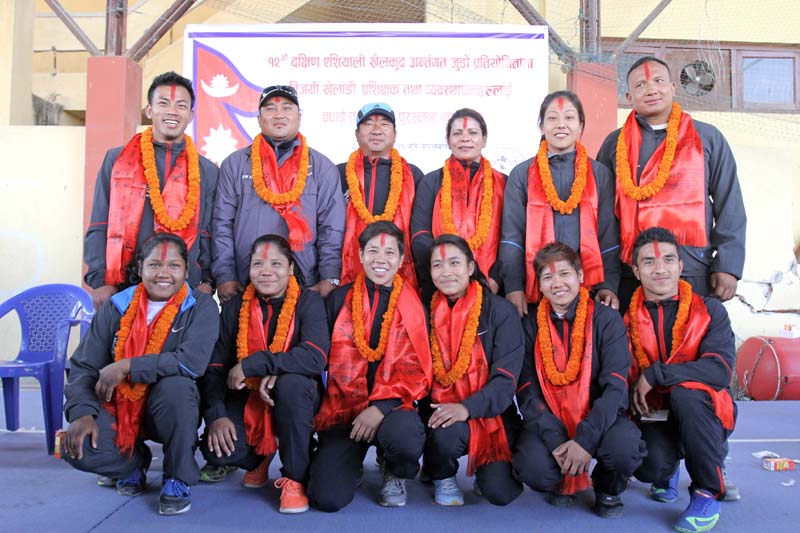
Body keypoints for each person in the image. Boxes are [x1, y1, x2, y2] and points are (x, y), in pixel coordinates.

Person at [63, 233, 219, 515]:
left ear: (186, 270)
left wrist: (126, 366)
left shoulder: (200, 306)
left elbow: (191, 363)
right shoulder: (117, 306)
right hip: (119, 405)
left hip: (168, 409)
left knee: (178, 388)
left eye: (173, 266)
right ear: (140, 268)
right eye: (155, 265)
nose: (164, 274)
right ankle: (133, 461)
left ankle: (177, 477)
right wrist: (81, 413)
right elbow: (84, 367)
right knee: (78, 447)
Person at [596, 56, 746, 313]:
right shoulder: (614, 143)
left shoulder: (707, 137)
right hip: (630, 272)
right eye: (641, 85)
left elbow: (729, 203)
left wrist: (727, 265)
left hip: (692, 268)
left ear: (673, 87)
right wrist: (606, 279)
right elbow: (601, 215)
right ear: (629, 97)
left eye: (658, 81)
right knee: (629, 349)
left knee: (692, 345)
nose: (651, 89)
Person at [512, 242, 645, 518]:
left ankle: (607, 488)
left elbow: (615, 387)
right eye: (547, 277)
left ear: (581, 276)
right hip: (551, 421)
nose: (557, 283)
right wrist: (555, 437)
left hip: (599, 418)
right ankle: (561, 480)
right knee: (531, 467)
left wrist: (584, 441)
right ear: (540, 284)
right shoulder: (530, 325)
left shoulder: (607, 320)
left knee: (625, 448)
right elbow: (525, 389)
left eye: (564, 274)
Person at [308, 221, 432, 511]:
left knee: (404, 436)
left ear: (401, 260)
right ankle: (351, 463)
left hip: (393, 408)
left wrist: (381, 408)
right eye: (373, 250)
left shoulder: (415, 306)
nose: (381, 259)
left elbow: (420, 371)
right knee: (327, 498)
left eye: (390, 252)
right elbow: (318, 354)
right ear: (360, 255)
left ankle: (394, 469)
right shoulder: (339, 299)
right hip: (344, 407)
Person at [199, 234, 328, 513]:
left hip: (298, 398)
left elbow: (315, 356)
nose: (266, 271)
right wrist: (216, 414)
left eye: (276, 264)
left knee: (291, 384)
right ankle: (259, 455)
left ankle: (294, 478)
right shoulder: (235, 307)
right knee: (218, 451)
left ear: (291, 268)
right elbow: (215, 366)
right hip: (247, 399)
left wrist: (255, 365)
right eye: (258, 263)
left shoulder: (308, 302)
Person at [626, 227, 736, 533]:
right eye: (648, 262)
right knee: (648, 468)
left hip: (706, 410)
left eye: (669, 260)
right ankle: (668, 465)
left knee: (688, 395)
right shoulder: (626, 319)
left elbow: (719, 370)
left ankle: (706, 490)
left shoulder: (710, 310)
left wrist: (657, 373)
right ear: (636, 271)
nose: (660, 269)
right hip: (655, 413)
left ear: (681, 266)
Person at [84, 71, 219, 309]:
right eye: (163, 103)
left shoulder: (206, 170)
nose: (172, 111)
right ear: (149, 110)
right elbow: (99, 223)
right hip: (122, 286)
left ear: (191, 115)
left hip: (184, 289)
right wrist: (99, 280)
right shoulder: (117, 160)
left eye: (181, 105)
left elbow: (208, 232)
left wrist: (207, 281)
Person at [213, 84, 345, 304]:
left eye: (287, 108)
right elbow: (221, 223)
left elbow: (332, 228)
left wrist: (329, 276)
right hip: (246, 282)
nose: (279, 115)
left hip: (305, 283)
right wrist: (224, 274)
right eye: (270, 109)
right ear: (259, 118)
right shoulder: (235, 165)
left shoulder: (322, 167)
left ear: (299, 117)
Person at [422, 234, 523, 507]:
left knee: (501, 493)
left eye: (454, 263)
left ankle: (484, 469)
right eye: (437, 265)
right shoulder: (425, 311)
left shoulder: (500, 312)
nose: (446, 272)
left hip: (492, 414)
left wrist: (465, 408)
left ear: (470, 267)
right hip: (439, 410)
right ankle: (440, 472)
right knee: (441, 433)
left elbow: (505, 381)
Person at [501, 91, 620, 317]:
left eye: (569, 118)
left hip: (589, 286)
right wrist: (514, 287)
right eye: (553, 118)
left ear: (580, 126)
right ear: (542, 126)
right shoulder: (522, 174)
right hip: (536, 286)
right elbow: (512, 236)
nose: (561, 125)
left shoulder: (600, 174)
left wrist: (608, 286)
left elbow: (608, 236)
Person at [410, 109, 506, 302]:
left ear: (484, 139)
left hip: (491, 287)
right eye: (457, 133)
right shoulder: (432, 182)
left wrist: (495, 278)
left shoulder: (504, 183)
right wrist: (443, 276)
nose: (465, 139)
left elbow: (511, 237)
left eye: (472, 133)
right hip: (441, 286)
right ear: (448, 140)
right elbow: (420, 236)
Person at [337, 102, 424, 287]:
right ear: (356, 134)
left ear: (395, 134)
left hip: (400, 277)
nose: (376, 130)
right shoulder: (338, 174)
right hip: (347, 274)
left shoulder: (413, 176)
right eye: (368, 124)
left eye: (384, 124)